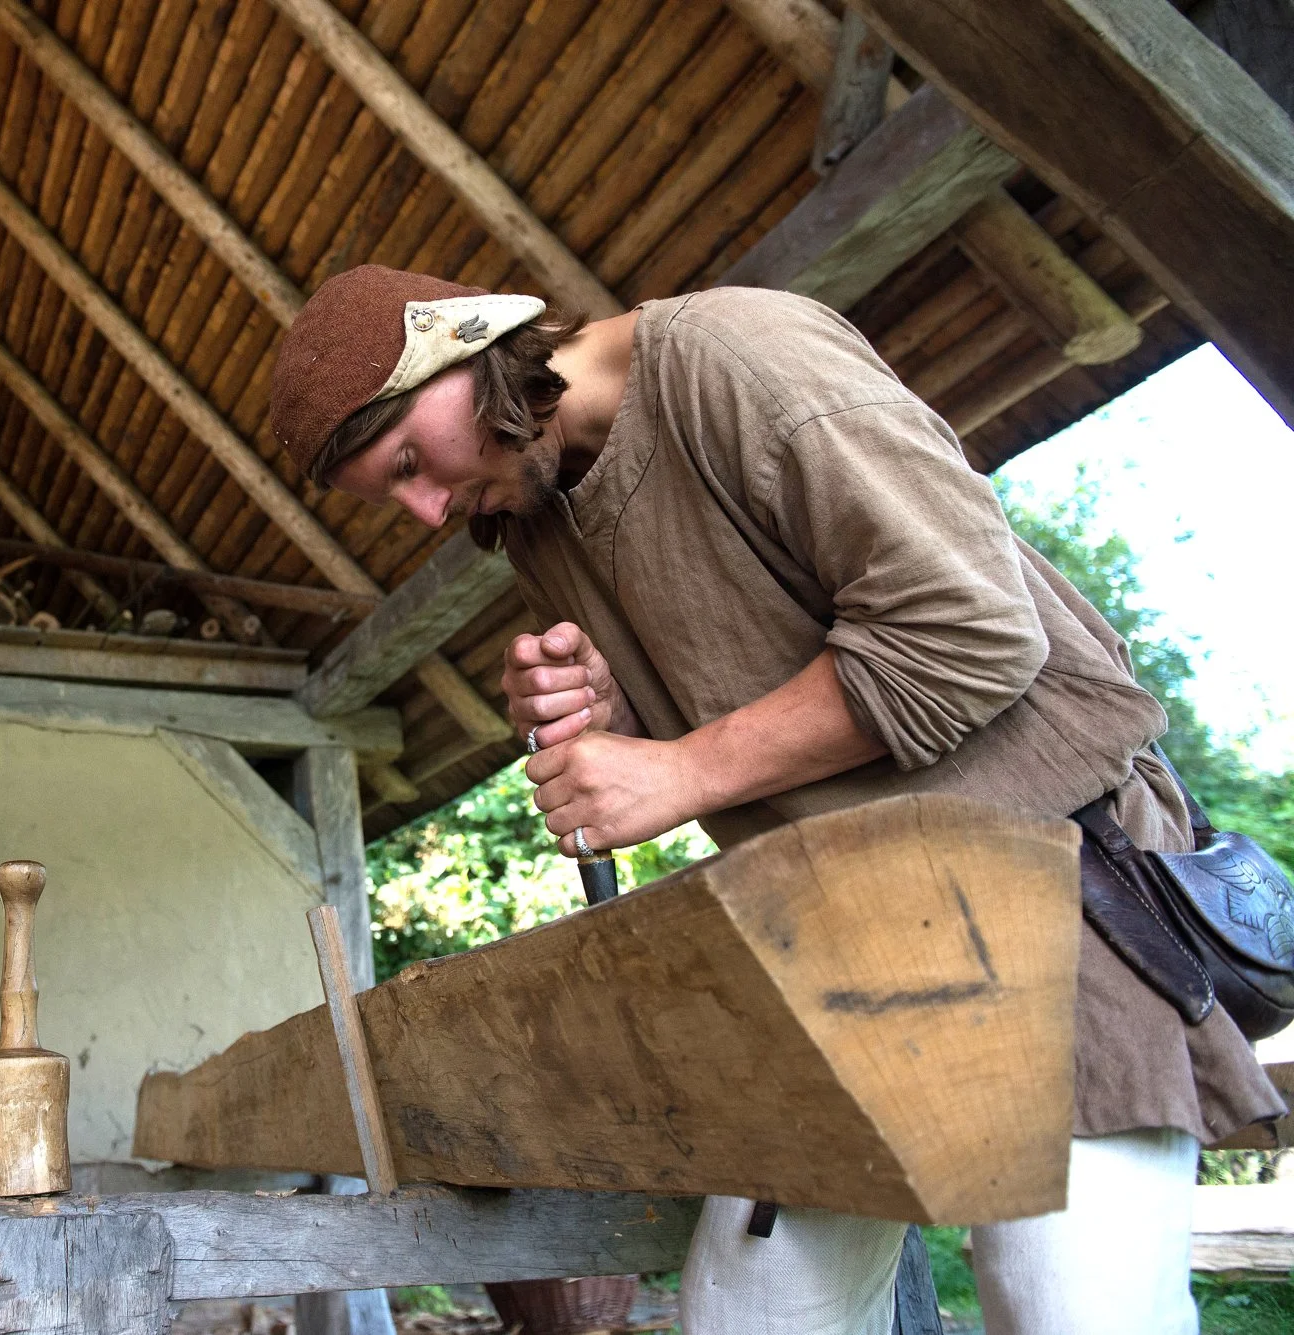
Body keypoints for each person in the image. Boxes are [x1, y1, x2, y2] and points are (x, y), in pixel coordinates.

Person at [267, 265, 1285, 1334]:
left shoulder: (734, 355)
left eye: (411, 464)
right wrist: (615, 716)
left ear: (467, 349)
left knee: (1069, 1316)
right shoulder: (536, 514)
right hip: (838, 955)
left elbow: (967, 632)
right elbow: (755, 700)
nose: (425, 510)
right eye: (392, 498)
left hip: (1047, 901)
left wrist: (677, 772)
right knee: (750, 1315)